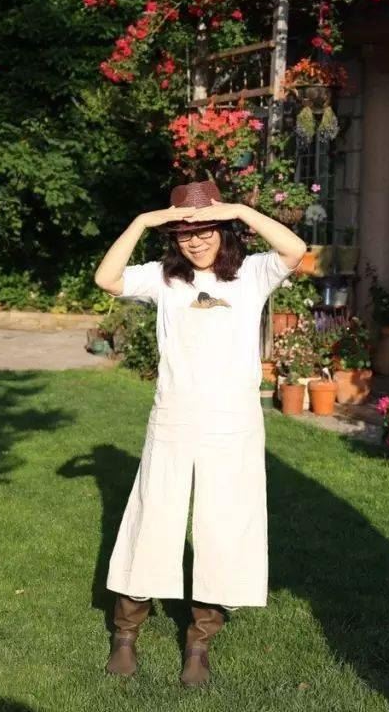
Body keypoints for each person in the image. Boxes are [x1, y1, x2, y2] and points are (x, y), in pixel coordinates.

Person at [93, 178, 307, 687]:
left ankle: (199, 643)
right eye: (186, 232)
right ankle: (126, 634)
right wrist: (144, 221)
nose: (196, 240)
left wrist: (240, 209)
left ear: (224, 229)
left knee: (223, 525)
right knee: (153, 518)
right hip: (173, 416)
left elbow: (295, 249)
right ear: (174, 236)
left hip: (234, 422)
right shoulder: (163, 279)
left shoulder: (253, 274)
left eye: (207, 228)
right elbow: (107, 278)